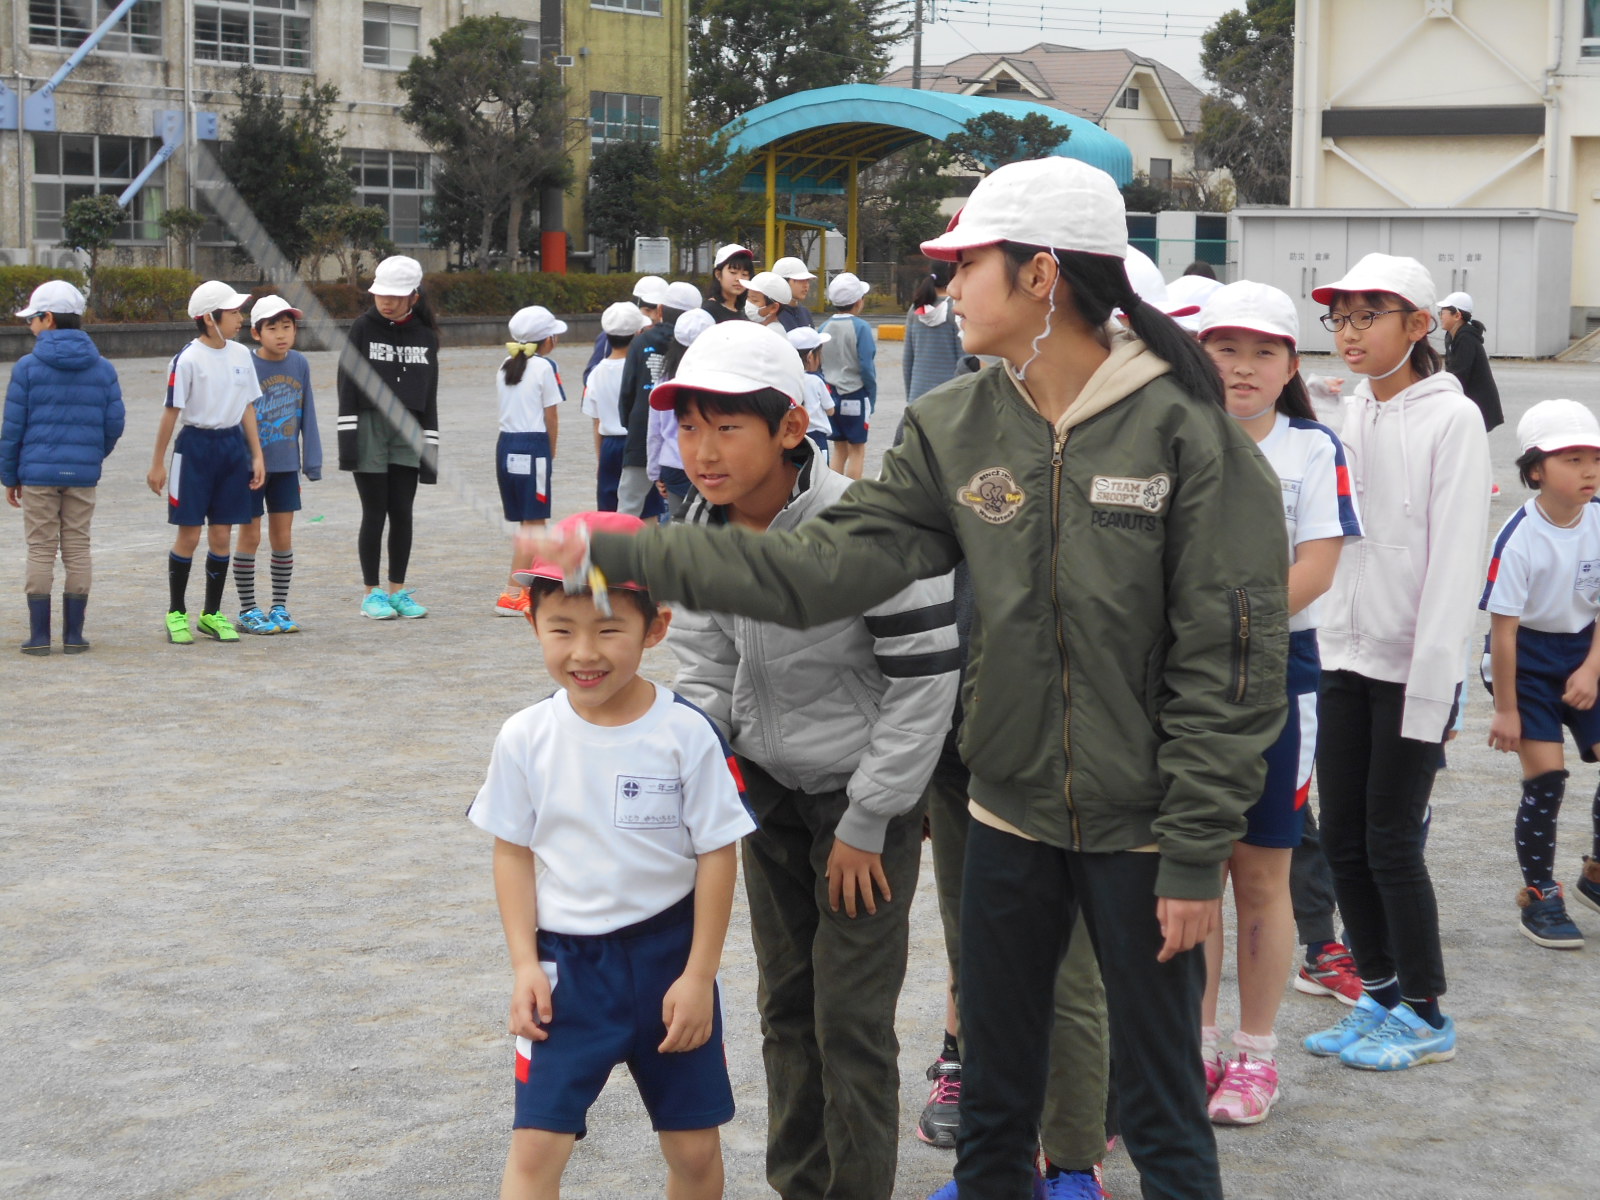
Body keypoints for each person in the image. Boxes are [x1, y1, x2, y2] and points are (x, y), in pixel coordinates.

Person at [530, 157, 1290, 1200]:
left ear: (1041, 276)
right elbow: (825, 569)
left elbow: (1231, 663)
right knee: (992, 1104)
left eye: (966, 265)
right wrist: (634, 551)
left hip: (1145, 831)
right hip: (1006, 815)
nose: (947, 288)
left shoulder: (1188, 434)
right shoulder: (955, 424)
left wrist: (1196, 851)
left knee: (1159, 1108)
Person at [647, 320, 960, 1200]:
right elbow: (706, 667)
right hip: (767, 798)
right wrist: (692, 767)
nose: (702, 451)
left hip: (864, 805)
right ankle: (800, 1184)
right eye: (689, 428)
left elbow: (926, 682)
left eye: (726, 427)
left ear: (790, 426)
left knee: (851, 1017)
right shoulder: (700, 525)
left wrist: (870, 820)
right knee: (784, 1006)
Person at [467, 510, 756, 1200]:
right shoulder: (525, 736)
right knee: (536, 1148)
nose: (584, 653)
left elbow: (719, 855)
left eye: (608, 630)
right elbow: (512, 852)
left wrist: (699, 976)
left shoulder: (686, 734)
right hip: (566, 971)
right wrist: (523, 965)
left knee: (694, 1150)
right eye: (561, 629)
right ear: (532, 623)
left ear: (655, 628)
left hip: (668, 959)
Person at [1305, 252, 1490, 1071]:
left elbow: (1454, 561)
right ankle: (1378, 992)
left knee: (1391, 842)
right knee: (1342, 838)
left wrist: (1435, 682)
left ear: (1418, 325)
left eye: (1366, 316)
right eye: (1339, 317)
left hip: (1412, 665)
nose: (1348, 333)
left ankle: (1426, 1011)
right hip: (1340, 654)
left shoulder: (1452, 420)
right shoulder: (1349, 410)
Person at [1195, 281, 1363, 1124]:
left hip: (1276, 675)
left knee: (1260, 872)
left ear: (1292, 364)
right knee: (1192, 865)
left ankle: (1255, 1055)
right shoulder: (1174, 437)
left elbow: (1318, 568)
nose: (1244, 366)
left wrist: (1224, 630)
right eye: (1226, 349)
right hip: (1182, 679)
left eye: (1264, 352)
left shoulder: (1312, 447)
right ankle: (1196, 1044)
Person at [1481, 398, 1600, 949]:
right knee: (1547, 778)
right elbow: (1502, 634)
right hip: (1524, 661)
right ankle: (1541, 895)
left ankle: (1595, 874)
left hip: (1583, 651)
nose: (1588, 471)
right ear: (1535, 471)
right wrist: (1506, 710)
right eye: (1572, 459)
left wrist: (1591, 670)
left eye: (1594, 458)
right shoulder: (1519, 537)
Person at [1, 279, 123, 655]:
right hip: (82, 475)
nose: (30, 324)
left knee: (40, 549)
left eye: (33, 318)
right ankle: (74, 635)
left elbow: (12, 428)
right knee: (77, 547)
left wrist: (10, 475)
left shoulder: (27, 368)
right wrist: (92, 456)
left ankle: (39, 637)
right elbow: (114, 424)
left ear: (49, 318)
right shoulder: (103, 368)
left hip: (37, 475)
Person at [147, 280, 266, 645]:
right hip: (194, 449)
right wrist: (158, 463)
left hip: (231, 448)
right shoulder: (187, 359)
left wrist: (256, 454)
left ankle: (211, 614)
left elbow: (247, 406)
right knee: (189, 534)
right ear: (209, 318)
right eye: (233, 312)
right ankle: (176, 612)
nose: (240, 318)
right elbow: (171, 412)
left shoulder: (242, 354)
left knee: (221, 534)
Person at [337, 254, 438, 621]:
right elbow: (346, 385)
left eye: (396, 295)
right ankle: (371, 593)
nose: (387, 301)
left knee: (402, 512)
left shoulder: (426, 336)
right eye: (382, 293)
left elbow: (430, 395)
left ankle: (397, 591)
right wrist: (348, 442)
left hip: (409, 430)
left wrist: (430, 450)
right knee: (374, 511)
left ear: (414, 296)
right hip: (369, 427)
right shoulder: (362, 329)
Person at [233, 295, 321, 635]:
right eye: (272, 328)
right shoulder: (246, 364)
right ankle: (247, 609)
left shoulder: (299, 363)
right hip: (250, 467)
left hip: (285, 466)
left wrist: (311, 461)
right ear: (256, 333)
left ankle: (279, 607)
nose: (281, 334)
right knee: (251, 535)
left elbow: (308, 412)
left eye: (287, 327)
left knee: (283, 535)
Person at [492, 306, 567, 618]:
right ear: (547, 339)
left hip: (506, 445)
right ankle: (512, 594)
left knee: (529, 523)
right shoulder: (545, 367)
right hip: (533, 445)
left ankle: (529, 588)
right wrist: (551, 450)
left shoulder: (505, 364)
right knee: (534, 525)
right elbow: (552, 415)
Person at [617, 281, 701, 520]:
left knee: (629, 506)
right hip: (681, 445)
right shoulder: (697, 347)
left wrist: (629, 424)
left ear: (661, 309)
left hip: (642, 428)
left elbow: (628, 390)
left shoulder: (641, 341)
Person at [647, 308, 715, 521]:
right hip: (711, 463)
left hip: (674, 465)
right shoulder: (718, 381)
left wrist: (654, 472)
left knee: (678, 524)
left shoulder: (665, 380)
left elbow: (654, 432)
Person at [583, 301, 648, 512]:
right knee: (645, 511)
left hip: (609, 446)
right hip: (638, 445)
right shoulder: (642, 369)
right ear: (638, 334)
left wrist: (600, 460)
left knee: (609, 512)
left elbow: (596, 423)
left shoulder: (595, 374)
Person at [818, 272, 876, 480]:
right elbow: (866, 367)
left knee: (839, 449)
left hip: (831, 394)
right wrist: (871, 395)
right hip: (855, 394)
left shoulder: (823, 327)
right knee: (857, 450)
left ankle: (834, 494)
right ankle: (852, 494)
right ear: (858, 301)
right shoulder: (862, 328)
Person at [1439, 290, 1504, 434]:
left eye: (1442, 313)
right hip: (1466, 404)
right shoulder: (1452, 336)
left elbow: (1458, 375)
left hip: (1478, 406)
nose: (1440, 317)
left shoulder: (1466, 339)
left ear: (1457, 315)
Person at [584, 275, 666, 384]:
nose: (653, 317)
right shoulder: (615, 333)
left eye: (659, 312)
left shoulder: (667, 337)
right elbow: (589, 376)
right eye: (647, 310)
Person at [903, 263, 964, 404]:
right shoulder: (957, 310)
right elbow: (963, 360)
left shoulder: (916, 308)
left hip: (918, 396)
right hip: (950, 397)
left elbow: (908, 358)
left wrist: (910, 396)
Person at [785, 326, 835, 457]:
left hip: (792, 435)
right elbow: (830, 410)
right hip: (817, 436)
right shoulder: (815, 381)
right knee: (819, 468)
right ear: (810, 357)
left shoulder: (786, 379)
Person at [703, 244, 753, 324]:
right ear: (718, 274)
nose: (739, 279)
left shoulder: (743, 312)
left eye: (745, 274)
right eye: (733, 272)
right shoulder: (707, 313)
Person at [770, 256, 818, 327]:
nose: (806, 285)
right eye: (801, 280)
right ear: (783, 282)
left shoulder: (805, 313)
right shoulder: (772, 314)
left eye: (807, 280)